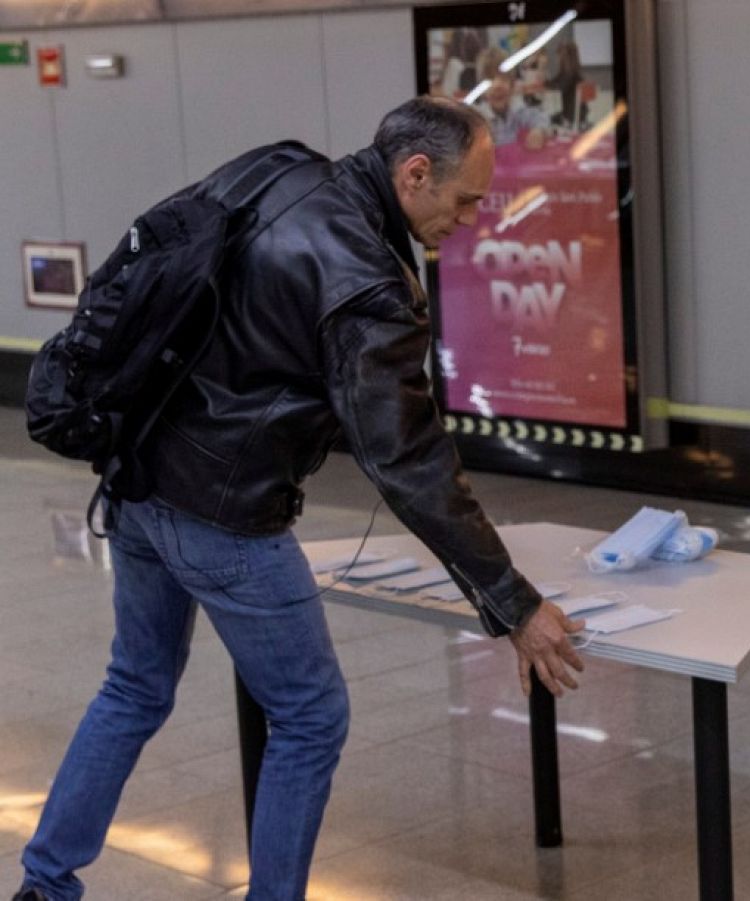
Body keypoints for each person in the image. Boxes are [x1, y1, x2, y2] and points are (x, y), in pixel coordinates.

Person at [11, 97, 585, 901]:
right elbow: (408, 458)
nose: (470, 219)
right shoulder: (368, 281)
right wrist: (514, 602)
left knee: (135, 684)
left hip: (138, 478)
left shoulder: (276, 168)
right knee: (312, 716)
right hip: (226, 517)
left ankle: (44, 881)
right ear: (413, 174)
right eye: (464, 200)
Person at [478, 74, 551, 150]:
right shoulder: (477, 118)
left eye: (503, 81)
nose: (497, 86)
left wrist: (538, 130)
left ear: (512, 90)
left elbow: (539, 117)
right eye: (491, 81)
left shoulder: (518, 111)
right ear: (483, 92)